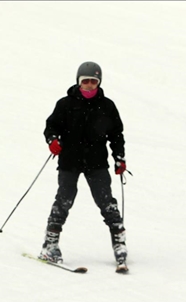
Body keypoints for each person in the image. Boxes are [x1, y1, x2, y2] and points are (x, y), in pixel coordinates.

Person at [39, 61, 127, 267]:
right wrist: (52, 140)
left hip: (97, 162)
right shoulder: (65, 104)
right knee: (64, 201)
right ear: (78, 82)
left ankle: (119, 245)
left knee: (107, 203)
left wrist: (119, 158)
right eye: (85, 81)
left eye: (93, 81)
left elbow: (116, 135)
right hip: (69, 161)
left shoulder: (107, 106)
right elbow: (51, 125)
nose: (89, 85)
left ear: (99, 83)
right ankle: (50, 245)